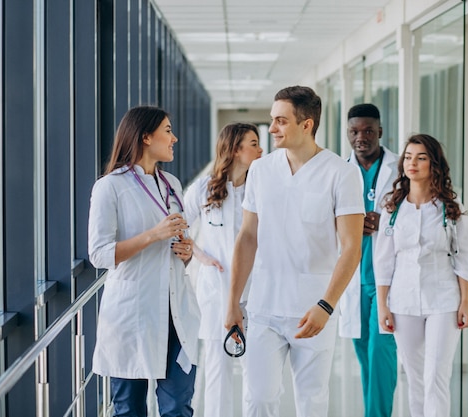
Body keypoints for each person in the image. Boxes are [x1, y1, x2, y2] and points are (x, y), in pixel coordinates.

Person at [224, 85, 364, 417]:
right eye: (272, 120)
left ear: (307, 124)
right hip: (263, 307)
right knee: (258, 399)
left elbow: (351, 247)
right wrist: (232, 302)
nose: (271, 129)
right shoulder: (261, 170)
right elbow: (247, 237)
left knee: (312, 401)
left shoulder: (341, 173)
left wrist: (326, 305)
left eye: (281, 121)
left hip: (313, 309)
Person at [88, 106, 200, 417]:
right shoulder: (110, 187)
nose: (174, 137)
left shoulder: (172, 185)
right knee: (129, 410)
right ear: (146, 137)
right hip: (132, 314)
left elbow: (178, 244)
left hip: (176, 312)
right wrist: (152, 235)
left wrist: (187, 253)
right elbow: (99, 255)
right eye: (167, 130)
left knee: (178, 406)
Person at [374, 133, 468, 417]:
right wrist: (383, 305)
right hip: (403, 302)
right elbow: (383, 262)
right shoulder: (392, 208)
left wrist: (465, 301)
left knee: (436, 378)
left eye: (421, 158)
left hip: (443, 300)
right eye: (408, 157)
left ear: (434, 164)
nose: (412, 163)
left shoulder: (452, 208)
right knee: (415, 379)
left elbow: (465, 257)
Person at [183, 123, 262, 417]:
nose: (261, 149)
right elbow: (178, 225)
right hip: (216, 291)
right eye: (253, 143)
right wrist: (199, 254)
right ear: (235, 150)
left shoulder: (262, 188)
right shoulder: (204, 189)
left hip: (256, 292)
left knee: (257, 373)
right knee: (218, 368)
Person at [339, 103, 398, 417]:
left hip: (387, 279)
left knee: (381, 354)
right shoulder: (338, 169)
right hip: (353, 278)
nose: (361, 137)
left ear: (380, 132)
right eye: (354, 131)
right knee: (365, 357)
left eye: (368, 131)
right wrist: (348, 222)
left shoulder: (401, 168)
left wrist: (387, 220)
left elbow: (416, 213)